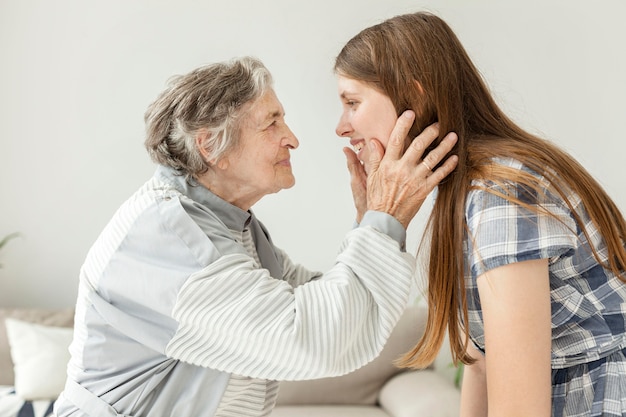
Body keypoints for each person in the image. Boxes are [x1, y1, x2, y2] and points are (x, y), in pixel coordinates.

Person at [53, 56, 458, 417]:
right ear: (211, 146)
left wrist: (372, 219)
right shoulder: (172, 235)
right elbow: (314, 342)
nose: (293, 138)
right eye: (271, 123)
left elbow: (332, 310)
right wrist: (382, 218)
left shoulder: (226, 225)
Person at [334, 11, 626, 417]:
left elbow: (520, 410)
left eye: (352, 102)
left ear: (413, 99)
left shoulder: (499, 195)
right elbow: (483, 364)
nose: (341, 127)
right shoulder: (467, 193)